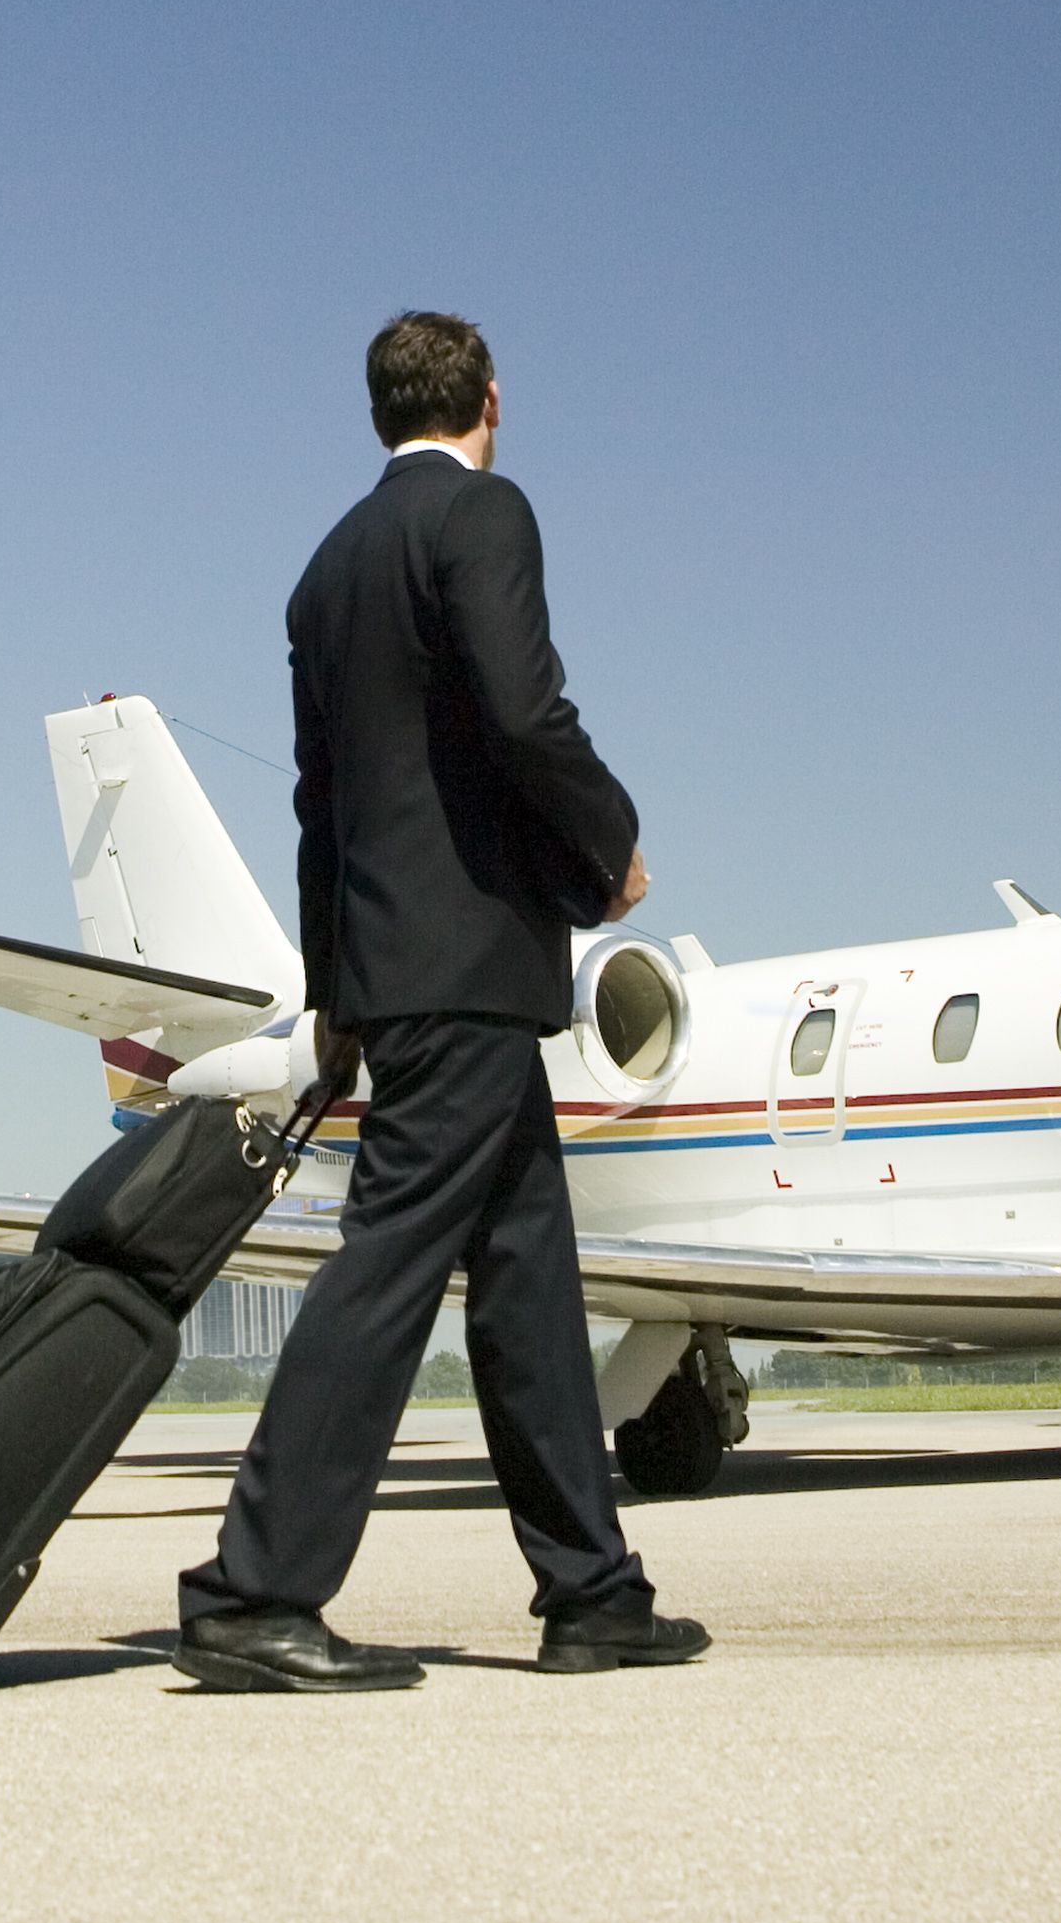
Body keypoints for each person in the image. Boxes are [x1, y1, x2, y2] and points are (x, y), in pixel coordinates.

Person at [174, 313, 709, 1692]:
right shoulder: (482, 515)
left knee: (530, 1283)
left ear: (377, 411)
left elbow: (320, 805)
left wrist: (335, 988)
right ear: (489, 398)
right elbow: (528, 712)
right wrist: (612, 848)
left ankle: (593, 1593)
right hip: (470, 965)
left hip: (403, 969)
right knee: (390, 1263)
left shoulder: (325, 571)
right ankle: (254, 1590)